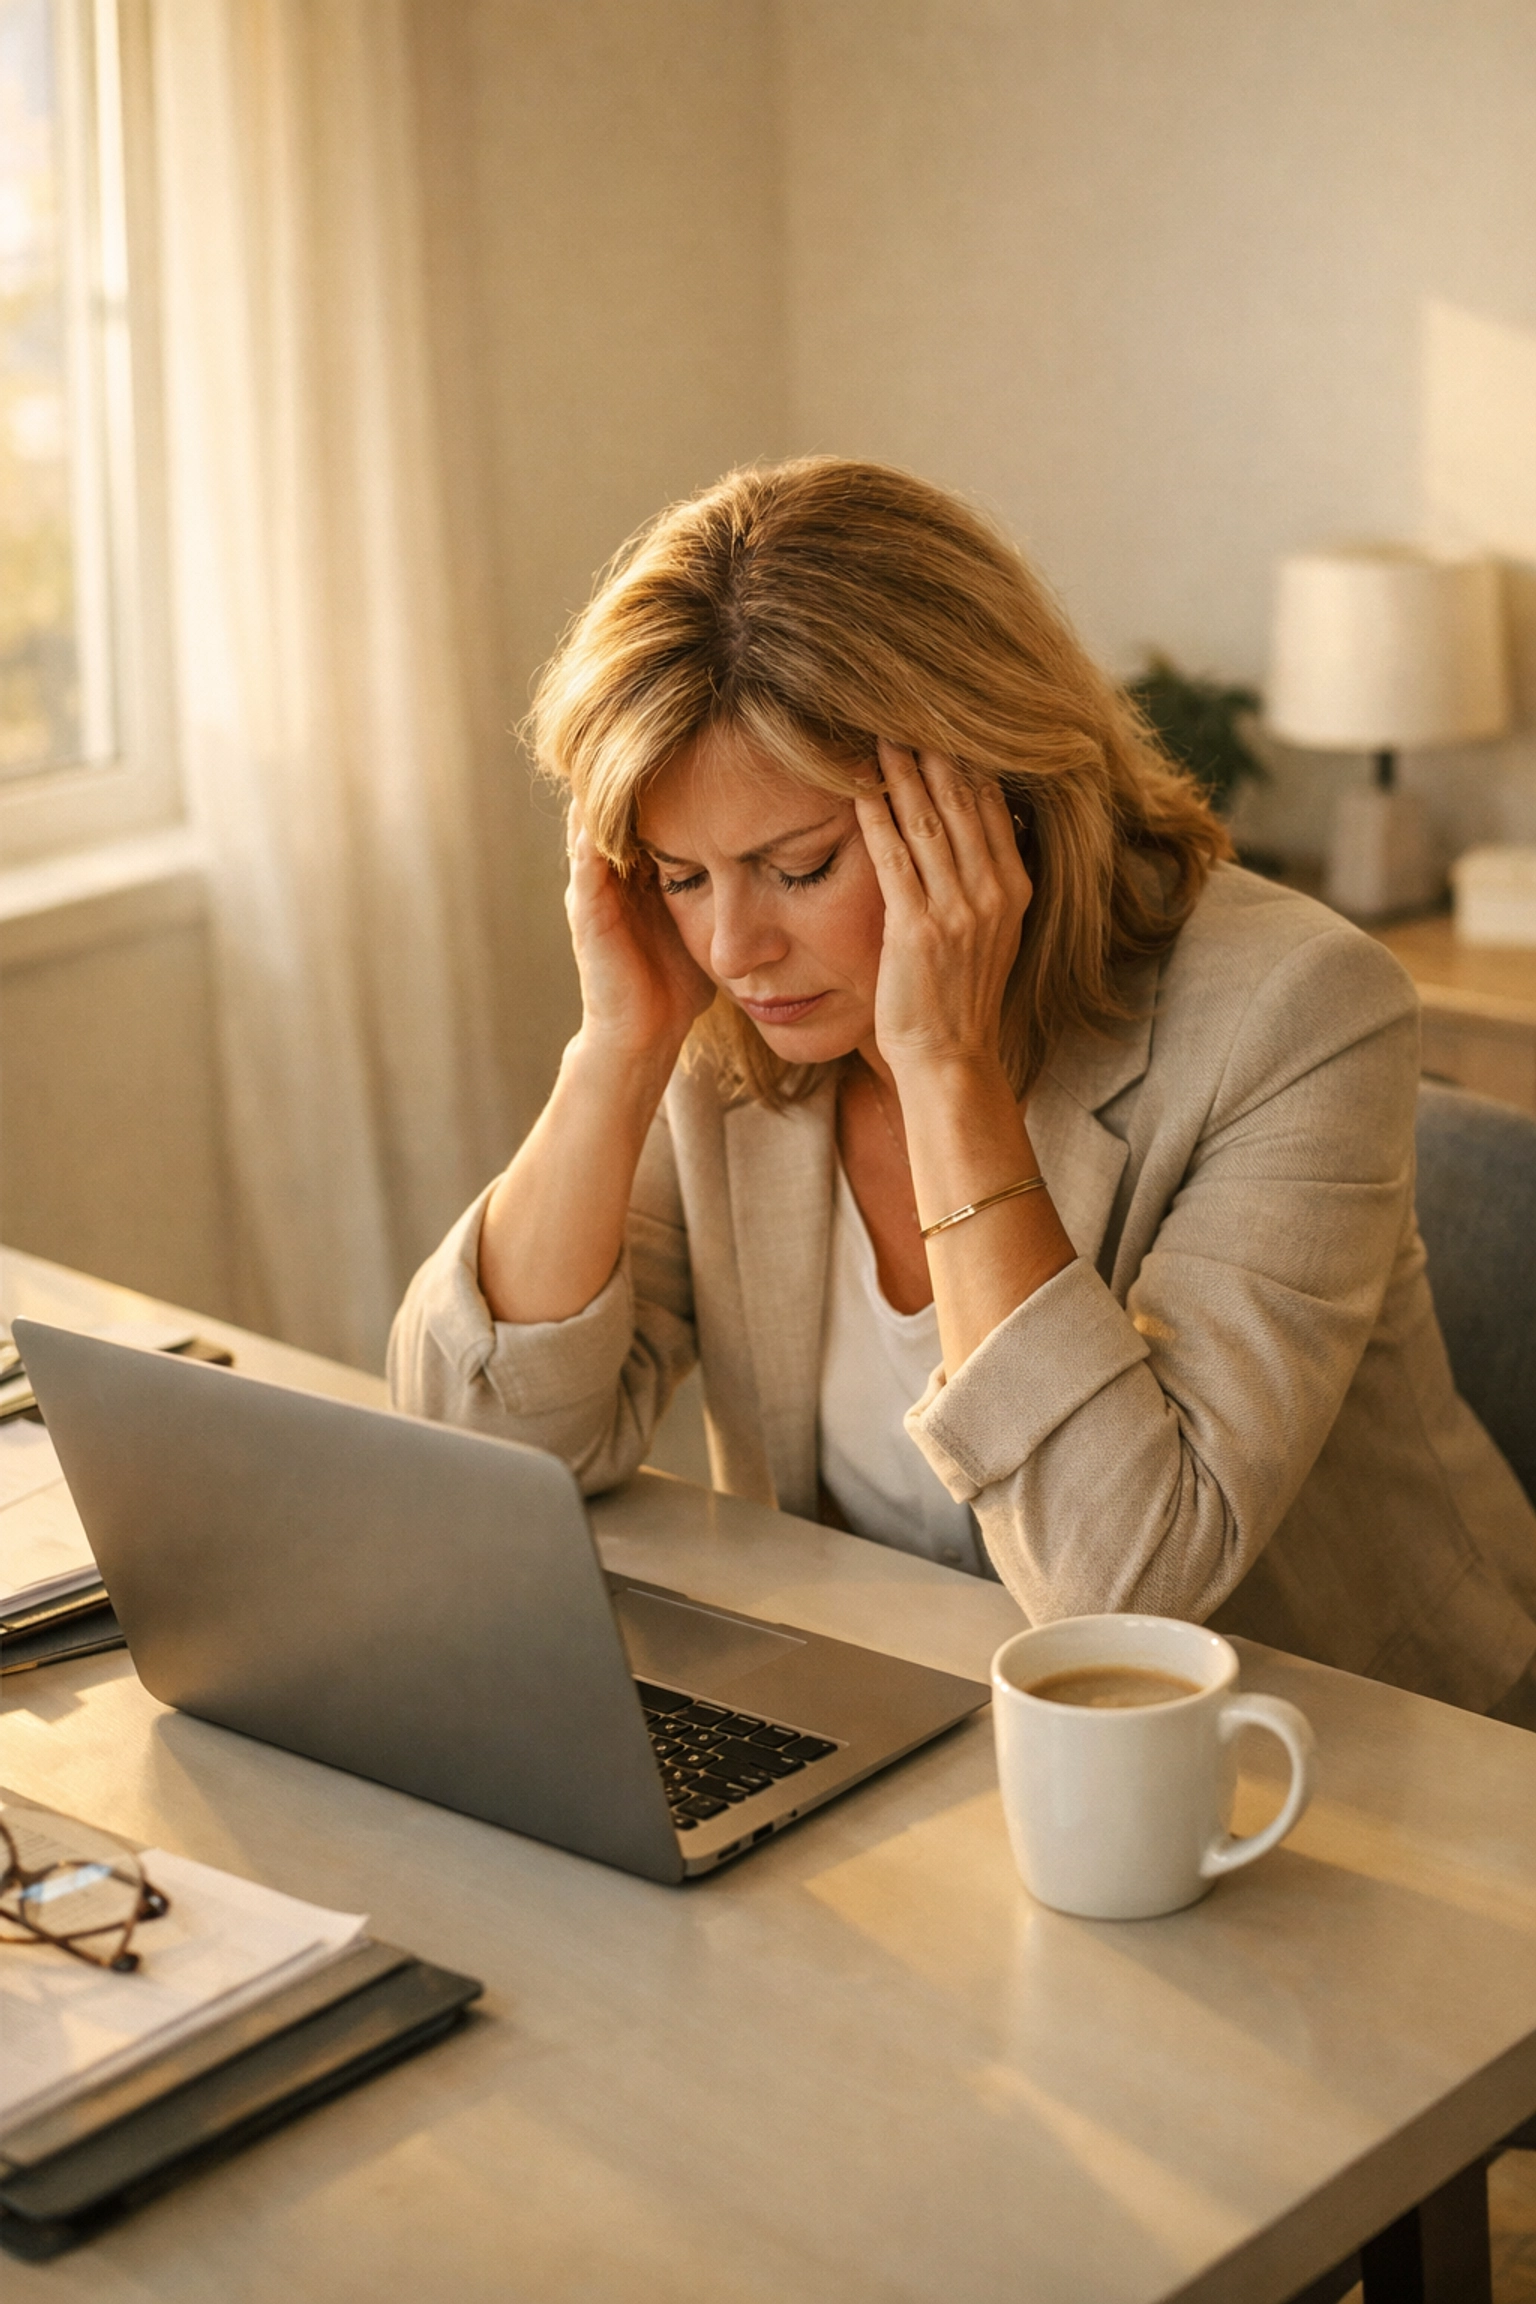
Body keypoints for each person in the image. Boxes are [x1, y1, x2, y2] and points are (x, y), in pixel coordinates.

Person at [390, 457, 1536, 1717]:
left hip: (1351, 1748)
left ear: (986, 799)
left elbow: (1127, 1583)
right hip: (912, 1718)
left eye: (799, 865)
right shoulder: (726, 1016)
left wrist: (945, 1070)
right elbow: (482, 1450)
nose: (731, 951)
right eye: (680, 876)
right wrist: (614, 1050)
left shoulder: (1301, 1010)